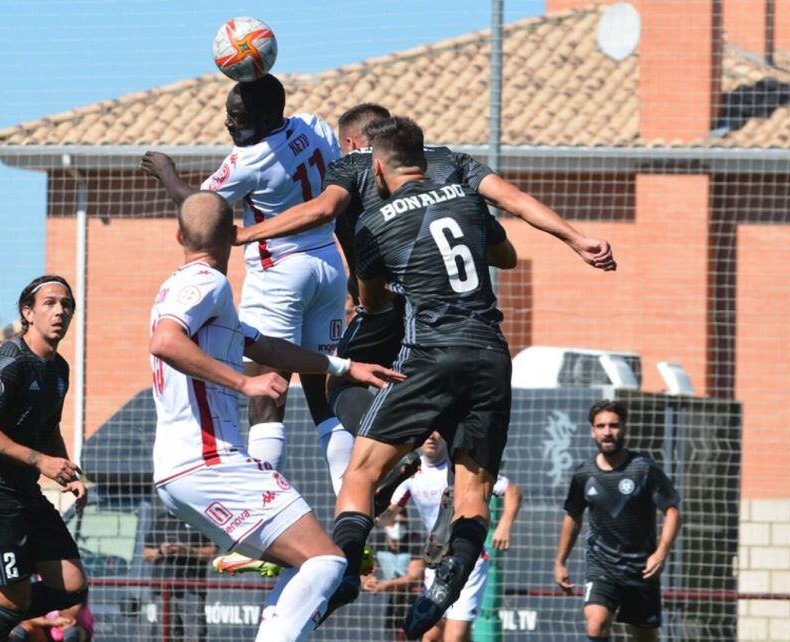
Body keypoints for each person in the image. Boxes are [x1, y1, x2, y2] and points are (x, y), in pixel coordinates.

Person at [235, 102, 615, 436]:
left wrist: (245, 234)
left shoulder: (352, 166)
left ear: (356, 146)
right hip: (472, 319)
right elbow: (511, 211)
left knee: (342, 381)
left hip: (399, 308)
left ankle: (385, 451)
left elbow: (322, 210)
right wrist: (575, 239)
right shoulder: (451, 160)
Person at [148, 192, 404, 642]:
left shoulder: (193, 292)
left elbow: (262, 344)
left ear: (178, 236)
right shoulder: (208, 282)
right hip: (210, 463)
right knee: (327, 561)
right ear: (234, 235)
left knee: (307, 563)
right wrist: (244, 384)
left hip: (184, 469)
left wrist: (343, 366)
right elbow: (166, 342)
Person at [325, 116, 522, 638]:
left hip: (431, 353)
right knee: (474, 490)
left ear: (374, 163)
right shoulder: (465, 196)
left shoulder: (374, 220)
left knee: (361, 473)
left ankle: (344, 565)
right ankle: (450, 576)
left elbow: (373, 303)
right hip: (491, 353)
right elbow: (508, 256)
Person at [141, 74, 353, 499]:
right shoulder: (315, 126)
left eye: (238, 118)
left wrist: (167, 174)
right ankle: (353, 512)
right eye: (228, 116)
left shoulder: (249, 161)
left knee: (266, 396)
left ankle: (264, 515)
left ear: (268, 116)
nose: (229, 125)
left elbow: (200, 208)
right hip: (329, 266)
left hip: (280, 274)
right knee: (323, 391)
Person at [0, 275, 89, 642]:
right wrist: (41, 462)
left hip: (26, 494)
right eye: (49, 303)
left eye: (66, 304)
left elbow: (48, 429)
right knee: (15, 602)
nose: (60, 310)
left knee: (73, 587)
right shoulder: (8, 361)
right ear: (27, 313)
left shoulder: (59, 369)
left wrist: (67, 473)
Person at [554, 400, 682, 642]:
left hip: (641, 569)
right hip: (602, 565)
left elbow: (673, 512)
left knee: (644, 636)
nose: (607, 432)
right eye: (600, 426)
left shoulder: (643, 469)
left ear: (623, 428)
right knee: (596, 622)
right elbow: (573, 516)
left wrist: (661, 553)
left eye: (613, 425)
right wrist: (560, 561)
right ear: (592, 431)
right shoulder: (584, 475)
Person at [377, 434, 523, 642]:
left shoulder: (462, 468)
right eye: (427, 433)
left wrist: (505, 525)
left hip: (468, 562)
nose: (432, 438)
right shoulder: (411, 474)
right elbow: (387, 515)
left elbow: (512, 490)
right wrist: (367, 516)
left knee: (454, 638)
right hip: (436, 561)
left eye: (438, 433)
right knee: (430, 635)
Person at [142, 504, 217, 642]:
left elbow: (213, 553)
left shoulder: (200, 520)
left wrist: (188, 551)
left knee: (196, 633)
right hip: (163, 589)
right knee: (166, 634)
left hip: (192, 587)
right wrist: (161, 551)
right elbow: (146, 554)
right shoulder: (160, 520)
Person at [361, 511, 422, 641]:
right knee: (391, 635)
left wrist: (386, 584)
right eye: (395, 522)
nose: (399, 526)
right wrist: (369, 580)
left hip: (417, 598)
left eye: (403, 522)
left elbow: (414, 576)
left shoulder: (416, 540)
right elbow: (365, 567)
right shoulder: (374, 540)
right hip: (394, 600)